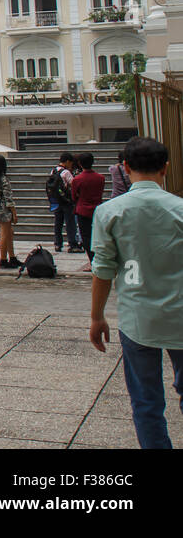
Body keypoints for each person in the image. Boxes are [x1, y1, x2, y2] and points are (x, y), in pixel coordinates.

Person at [89, 137, 183, 449]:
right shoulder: (180, 209)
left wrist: (97, 317)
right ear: (165, 168)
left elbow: (103, 269)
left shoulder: (109, 212)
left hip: (137, 319)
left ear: (125, 167)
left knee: (146, 402)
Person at [71, 153, 105, 273]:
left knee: (86, 236)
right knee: (98, 235)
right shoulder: (100, 178)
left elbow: (74, 196)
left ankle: (92, 261)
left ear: (80, 164)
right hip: (97, 208)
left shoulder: (77, 179)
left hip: (83, 209)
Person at [47, 151, 81, 253]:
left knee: (58, 223)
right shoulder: (66, 172)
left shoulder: (53, 171)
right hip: (66, 201)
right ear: (67, 162)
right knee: (70, 223)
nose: (71, 165)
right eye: (70, 163)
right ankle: (72, 244)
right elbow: (73, 184)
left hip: (56, 201)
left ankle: (58, 244)